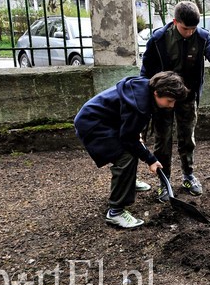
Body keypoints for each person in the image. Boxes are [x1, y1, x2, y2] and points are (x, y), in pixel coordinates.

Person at [140, 1, 210, 202]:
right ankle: (165, 182)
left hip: (188, 98)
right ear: (175, 22)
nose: (189, 33)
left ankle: (188, 176)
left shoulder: (202, 37)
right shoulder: (159, 39)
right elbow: (145, 71)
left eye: (193, 29)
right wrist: (145, 98)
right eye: (185, 28)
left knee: (187, 138)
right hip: (162, 99)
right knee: (163, 141)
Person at [74, 71, 189, 229]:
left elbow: (128, 125)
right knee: (125, 156)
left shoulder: (145, 88)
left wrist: (134, 133)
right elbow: (128, 138)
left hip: (105, 120)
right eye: (169, 100)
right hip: (93, 124)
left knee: (131, 149)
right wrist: (150, 159)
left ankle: (127, 182)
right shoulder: (140, 105)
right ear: (157, 93)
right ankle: (116, 212)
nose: (172, 105)